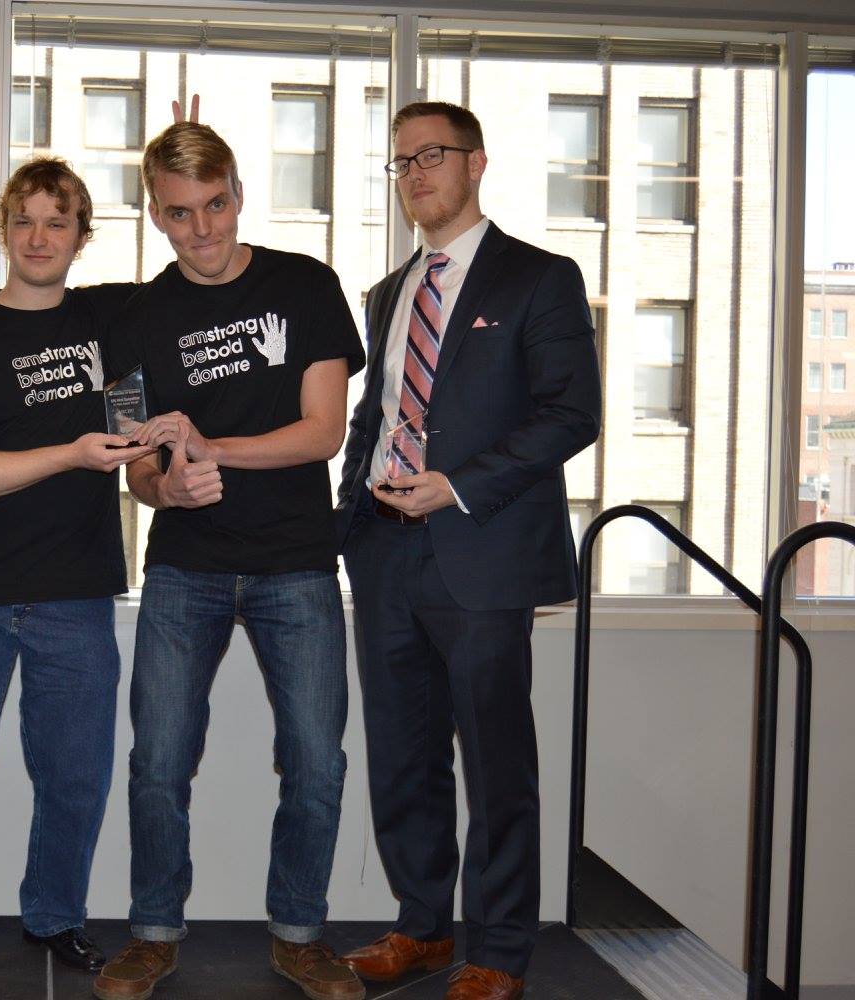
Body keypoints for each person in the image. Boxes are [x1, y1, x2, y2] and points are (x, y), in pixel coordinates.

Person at [92, 121, 367, 1000]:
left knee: (317, 761)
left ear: (239, 193)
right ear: (155, 214)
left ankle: (299, 933)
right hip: (185, 566)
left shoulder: (305, 285)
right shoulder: (132, 320)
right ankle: (153, 931)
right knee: (160, 760)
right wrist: (166, 490)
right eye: (181, 214)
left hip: (296, 562)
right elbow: (136, 463)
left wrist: (215, 448)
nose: (202, 230)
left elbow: (323, 432)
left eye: (215, 205)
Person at [333, 101, 602, 1000]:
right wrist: (348, 530)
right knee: (401, 755)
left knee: (494, 761)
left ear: (476, 163)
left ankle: (498, 948)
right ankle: (422, 928)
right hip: (385, 555)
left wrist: (456, 483)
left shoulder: (540, 277)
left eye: (432, 155)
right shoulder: (387, 292)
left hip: (482, 552)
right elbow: (374, 419)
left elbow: (572, 414)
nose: (416, 173)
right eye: (401, 161)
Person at [0, 158, 170, 1000]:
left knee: (76, 773)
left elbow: (197, 262)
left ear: (84, 236)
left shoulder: (113, 317)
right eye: (25, 221)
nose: (40, 237)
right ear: (3, 230)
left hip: (78, 591)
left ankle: (53, 916)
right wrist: (74, 454)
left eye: (58, 221)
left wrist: (183, 144)